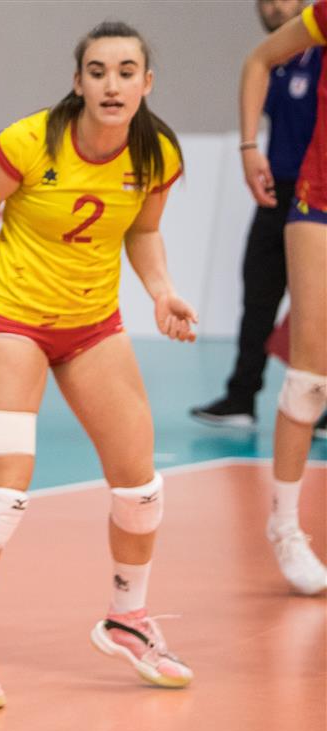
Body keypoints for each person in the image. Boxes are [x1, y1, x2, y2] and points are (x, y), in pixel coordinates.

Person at [0, 21, 198, 710]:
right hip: (12, 320)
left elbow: (145, 229)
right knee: (1, 498)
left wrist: (161, 292)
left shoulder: (157, 153)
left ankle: (127, 619)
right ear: (78, 82)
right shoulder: (27, 143)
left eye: (126, 71)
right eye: (98, 71)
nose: (112, 84)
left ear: (146, 83)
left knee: (142, 489)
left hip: (95, 326)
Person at [192, 1, 326, 438]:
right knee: (258, 294)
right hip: (277, 189)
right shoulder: (275, 63)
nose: (274, 6)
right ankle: (241, 395)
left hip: (318, 194)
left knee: (317, 309)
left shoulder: (318, 51)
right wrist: (249, 147)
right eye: (266, 0)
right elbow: (256, 63)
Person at [239, 0, 327, 595]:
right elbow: (258, 60)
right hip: (318, 203)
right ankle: (286, 527)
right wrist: (250, 147)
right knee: (309, 378)